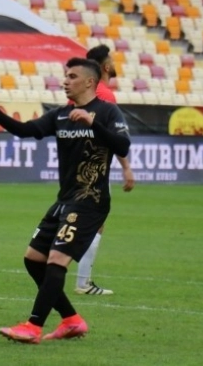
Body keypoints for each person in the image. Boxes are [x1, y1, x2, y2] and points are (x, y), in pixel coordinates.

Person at [0, 57, 131, 344]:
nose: (65, 81)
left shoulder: (108, 112)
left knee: (57, 259)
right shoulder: (60, 115)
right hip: (64, 200)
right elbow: (24, 130)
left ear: (89, 82)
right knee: (33, 259)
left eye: (72, 77)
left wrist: (93, 123)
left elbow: (123, 145)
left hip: (90, 200)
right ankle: (71, 320)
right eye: (65, 76)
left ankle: (33, 327)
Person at [73, 45, 135, 296]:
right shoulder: (105, 96)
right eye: (112, 61)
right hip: (95, 167)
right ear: (106, 67)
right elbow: (112, 137)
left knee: (76, 219)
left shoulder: (80, 92)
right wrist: (126, 167)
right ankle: (82, 282)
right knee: (95, 223)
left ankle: (75, 277)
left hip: (76, 165)